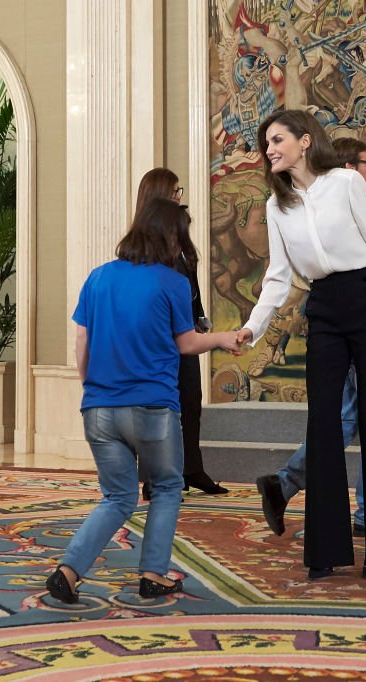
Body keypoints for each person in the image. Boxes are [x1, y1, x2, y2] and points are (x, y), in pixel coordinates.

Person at [237, 109, 366, 580]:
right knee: (323, 425)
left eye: (277, 140)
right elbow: (277, 278)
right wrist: (252, 329)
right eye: (266, 144)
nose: (270, 149)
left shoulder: (345, 182)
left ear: (303, 140)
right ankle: (325, 550)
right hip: (325, 307)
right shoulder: (278, 206)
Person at [46, 199, 240, 603]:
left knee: (117, 497)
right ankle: (153, 573)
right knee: (168, 487)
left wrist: (93, 390)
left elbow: (81, 342)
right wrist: (222, 338)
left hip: (98, 409)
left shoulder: (98, 278)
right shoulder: (172, 282)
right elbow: (186, 343)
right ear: (171, 236)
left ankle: (68, 570)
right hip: (152, 406)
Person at [255, 137, 366, 537]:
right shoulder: (314, 205)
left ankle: (287, 486)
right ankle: (356, 510)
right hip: (342, 321)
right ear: (345, 167)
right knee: (348, 420)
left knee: (348, 419)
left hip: (353, 319)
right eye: (365, 163)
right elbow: (288, 273)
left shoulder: (347, 202)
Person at [135, 168, 227, 497]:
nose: (179, 196)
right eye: (175, 191)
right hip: (158, 340)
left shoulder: (180, 237)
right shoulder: (142, 245)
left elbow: (190, 284)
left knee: (190, 401)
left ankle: (193, 469)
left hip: (187, 332)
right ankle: (151, 477)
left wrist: (200, 316)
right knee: (158, 408)